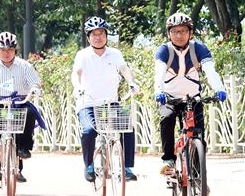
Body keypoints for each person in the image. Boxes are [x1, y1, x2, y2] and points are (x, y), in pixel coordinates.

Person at [154, 13, 226, 174]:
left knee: (198, 136)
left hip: (193, 99)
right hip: (170, 98)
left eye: (183, 31)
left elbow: (210, 71)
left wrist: (219, 89)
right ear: (168, 33)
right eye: (175, 31)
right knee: (167, 118)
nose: (179, 35)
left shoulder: (199, 48)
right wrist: (158, 92)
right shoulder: (164, 50)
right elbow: (159, 72)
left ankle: (198, 175)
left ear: (190, 33)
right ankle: (169, 161)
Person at [71, 16, 140, 182]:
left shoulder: (115, 54)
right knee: (89, 131)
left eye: (101, 33)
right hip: (88, 102)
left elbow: (124, 68)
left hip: (110, 102)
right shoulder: (83, 55)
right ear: (88, 37)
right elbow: (76, 73)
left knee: (127, 128)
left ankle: (127, 167)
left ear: (106, 35)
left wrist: (132, 82)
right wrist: (77, 87)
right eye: (94, 34)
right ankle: (88, 165)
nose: (98, 37)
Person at [0, 31, 43, 190]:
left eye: (10, 49)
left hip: (18, 103)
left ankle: (24, 148)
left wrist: (34, 89)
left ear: (15, 49)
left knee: (29, 113)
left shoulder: (24, 66)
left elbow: (35, 83)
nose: (6, 53)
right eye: (2, 50)